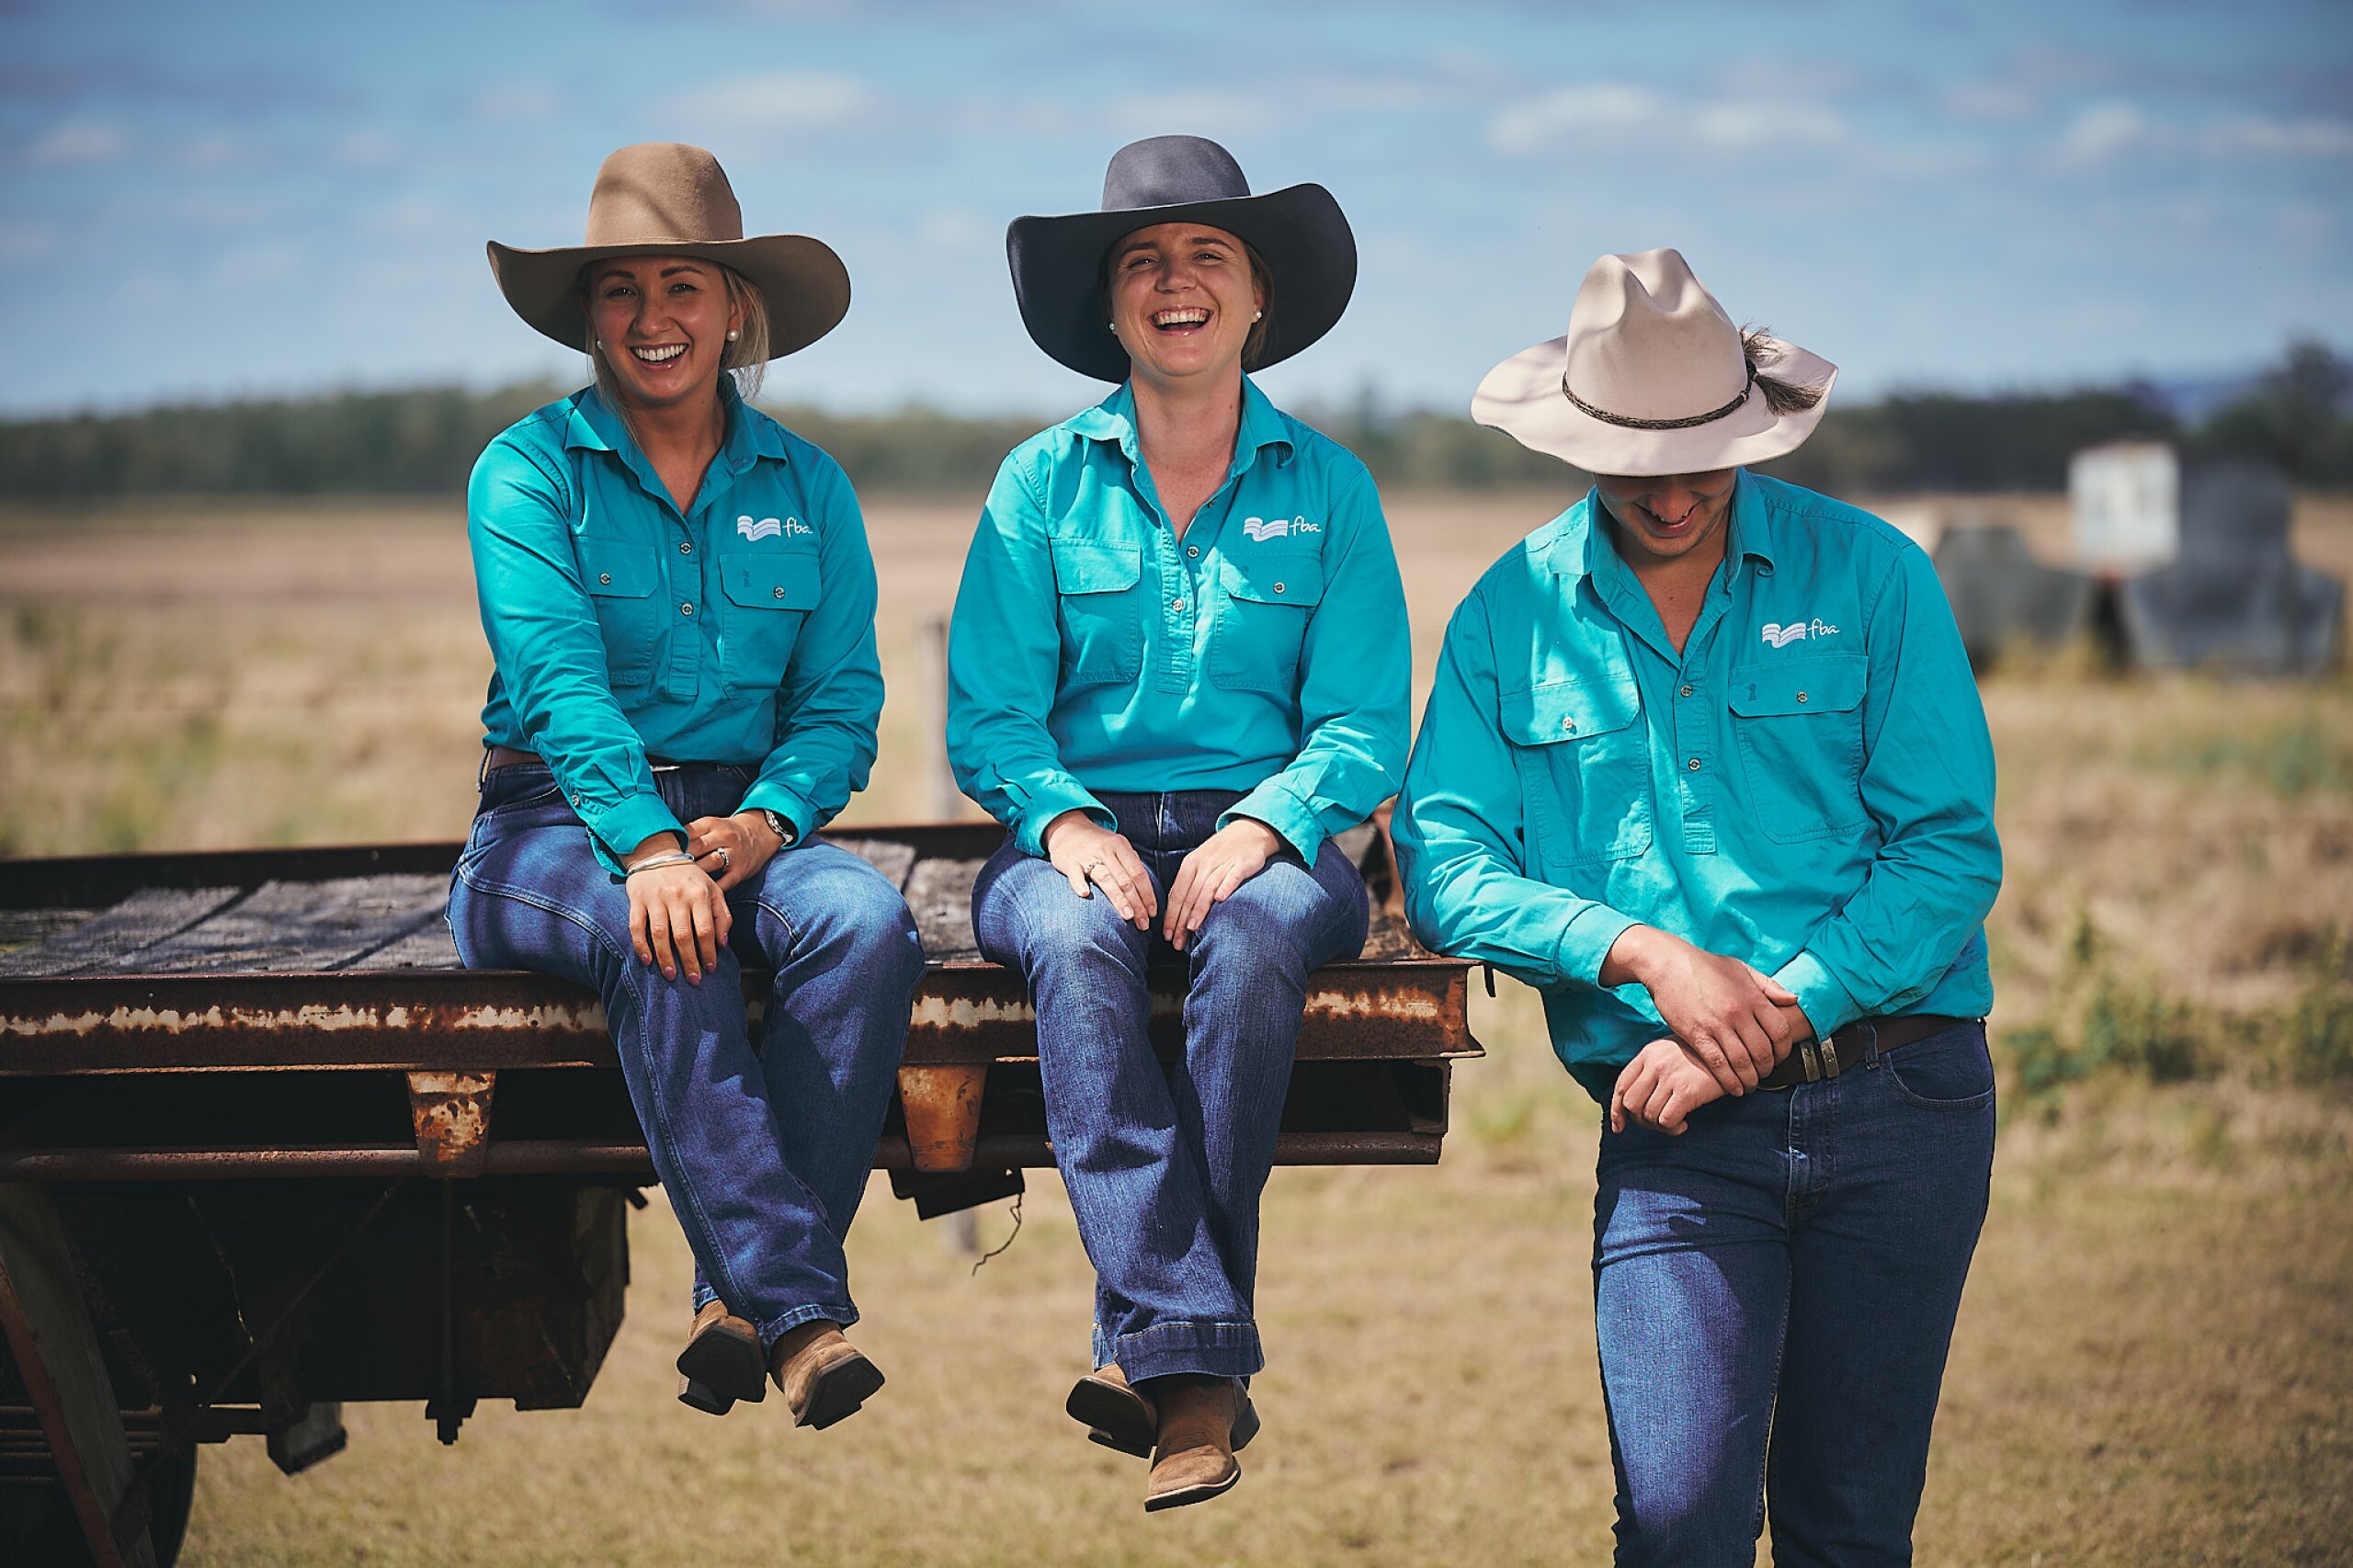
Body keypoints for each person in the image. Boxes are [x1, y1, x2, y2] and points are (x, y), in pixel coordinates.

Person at [1393, 248, 2001, 1563]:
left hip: (1903, 1103)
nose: (1673, 495)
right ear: (1577, 441)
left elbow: (1947, 856)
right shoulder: (1507, 617)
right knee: (1678, 1524)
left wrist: (1774, 1005)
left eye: (1705, 455)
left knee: (1851, 1526)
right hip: (1676, 1139)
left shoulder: (1877, 577)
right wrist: (1644, 953)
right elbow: (1444, 863)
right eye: (1637, 461)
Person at [946, 136, 1409, 1512]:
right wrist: (1067, 823)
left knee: (1259, 937)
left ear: (1259, 291)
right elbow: (990, 718)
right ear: (1107, 304)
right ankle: (1195, 1369)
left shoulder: (1330, 490)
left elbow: (1365, 723)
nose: (1175, 281)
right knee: (1080, 943)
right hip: (1067, 834)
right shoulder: (1038, 484)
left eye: (1208, 254)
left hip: (1273, 840)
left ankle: (1148, 1342)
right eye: (1143, 260)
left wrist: (1265, 827)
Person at [447, 142, 923, 1431]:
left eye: (683, 286)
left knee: (869, 923)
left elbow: (839, 704)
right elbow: (557, 682)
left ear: (736, 309)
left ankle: (732, 1300)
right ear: (589, 313)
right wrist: (648, 847)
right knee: (661, 930)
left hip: (742, 815)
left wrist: (771, 818)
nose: (652, 319)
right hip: (555, 818)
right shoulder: (529, 472)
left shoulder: (808, 486)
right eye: (620, 290)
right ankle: (798, 1311)